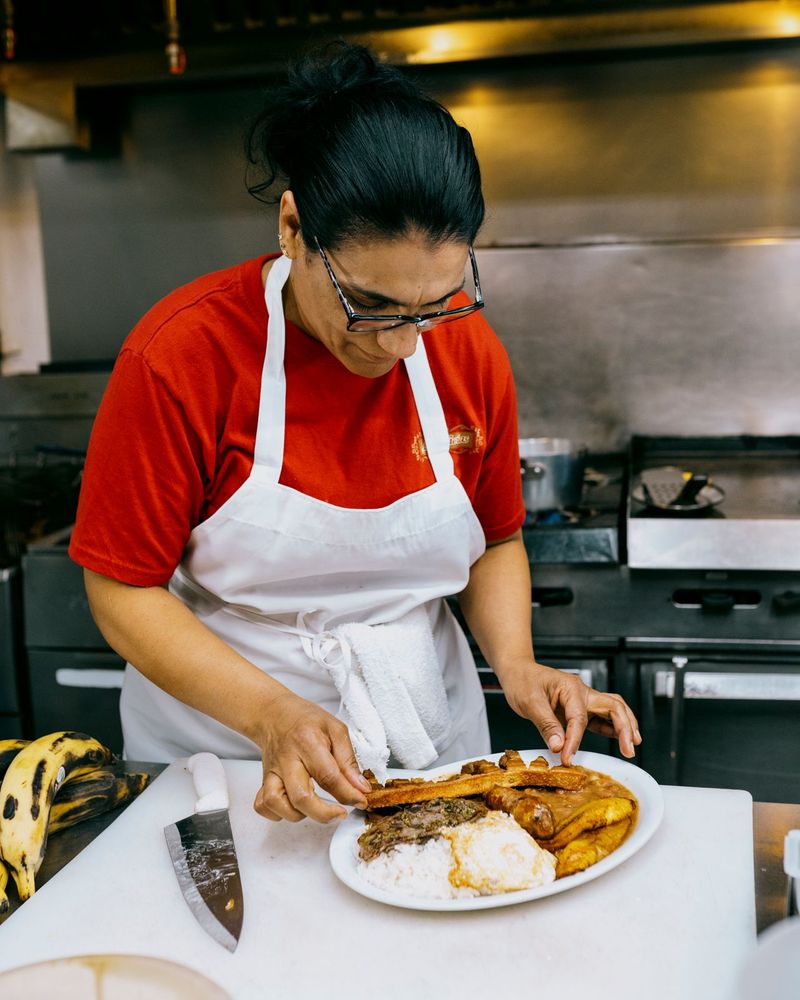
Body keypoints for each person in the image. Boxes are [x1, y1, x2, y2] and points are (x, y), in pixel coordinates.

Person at [69, 41, 641, 825]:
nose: (403, 342)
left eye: (436, 303)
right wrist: (271, 715)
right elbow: (122, 589)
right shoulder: (183, 356)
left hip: (431, 745)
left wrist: (515, 663)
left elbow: (496, 539)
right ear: (293, 225)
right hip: (228, 760)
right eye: (370, 304)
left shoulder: (467, 351)